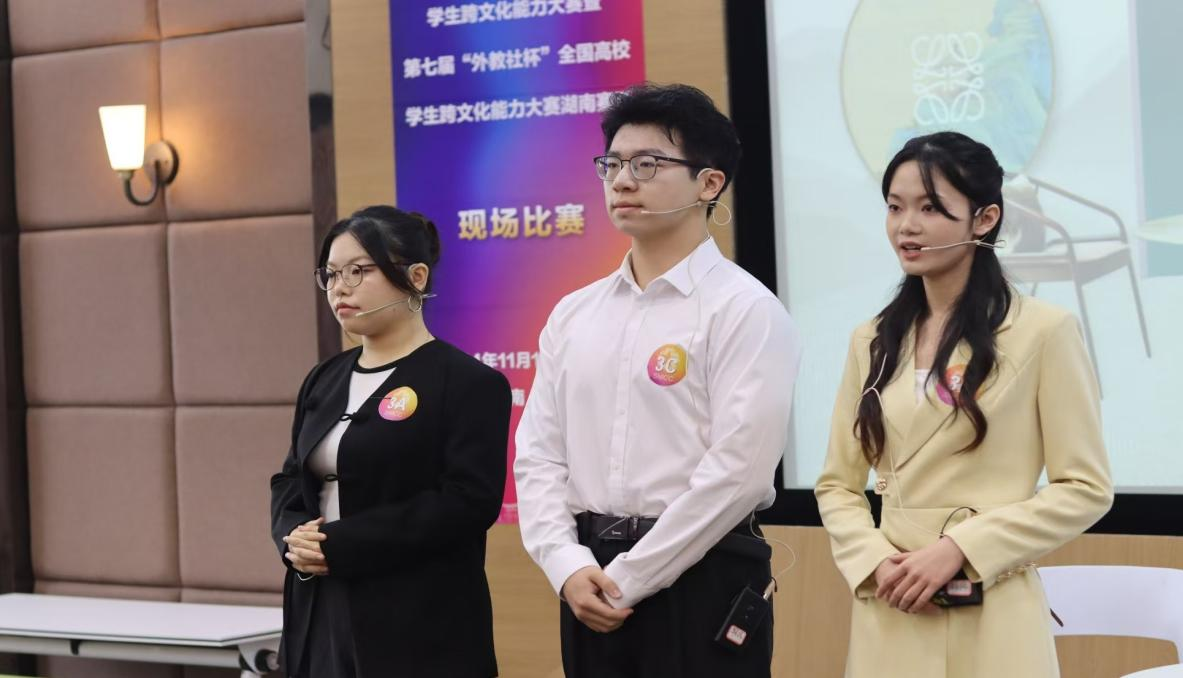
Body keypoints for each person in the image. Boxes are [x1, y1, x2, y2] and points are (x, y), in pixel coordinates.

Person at [514, 83, 801, 677]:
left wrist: (631, 577)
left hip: (705, 574)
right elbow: (538, 456)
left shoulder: (745, 309)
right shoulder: (574, 313)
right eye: (612, 164)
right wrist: (566, 564)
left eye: (647, 164)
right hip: (588, 577)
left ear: (709, 183)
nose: (622, 181)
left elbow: (740, 474)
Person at [815, 131, 1113, 678]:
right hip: (894, 607)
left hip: (993, 611)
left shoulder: (1044, 331)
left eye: (930, 208)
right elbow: (838, 485)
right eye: (895, 207)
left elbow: (1085, 488)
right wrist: (875, 562)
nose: (906, 226)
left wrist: (963, 548)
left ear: (985, 218)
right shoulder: (870, 340)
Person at [270, 205, 511, 678]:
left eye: (358, 271)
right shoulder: (324, 378)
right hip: (319, 606)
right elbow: (290, 478)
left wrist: (341, 544)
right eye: (330, 274)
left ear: (416, 277)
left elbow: (468, 502)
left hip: (417, 618)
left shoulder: (467, 381)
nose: (340, 288)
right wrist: (293, 536)